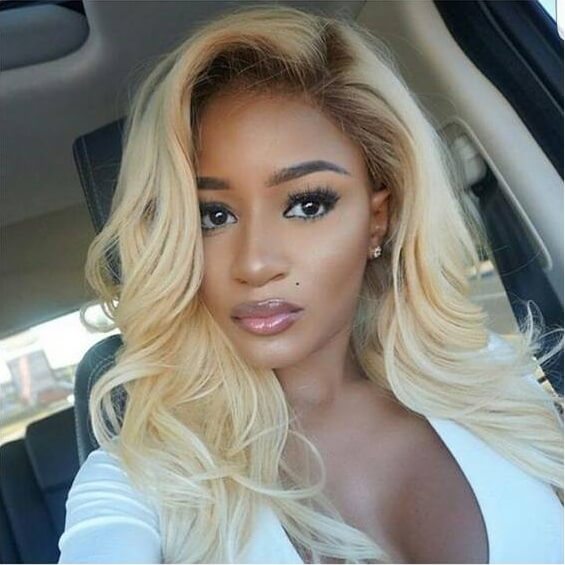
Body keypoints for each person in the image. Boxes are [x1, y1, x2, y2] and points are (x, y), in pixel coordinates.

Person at [58, 4, 564, 564]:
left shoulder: (490, 383)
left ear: (376, 220)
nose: (255, 263)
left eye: (307, 205)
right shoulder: (141, 481)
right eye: (213, 216)